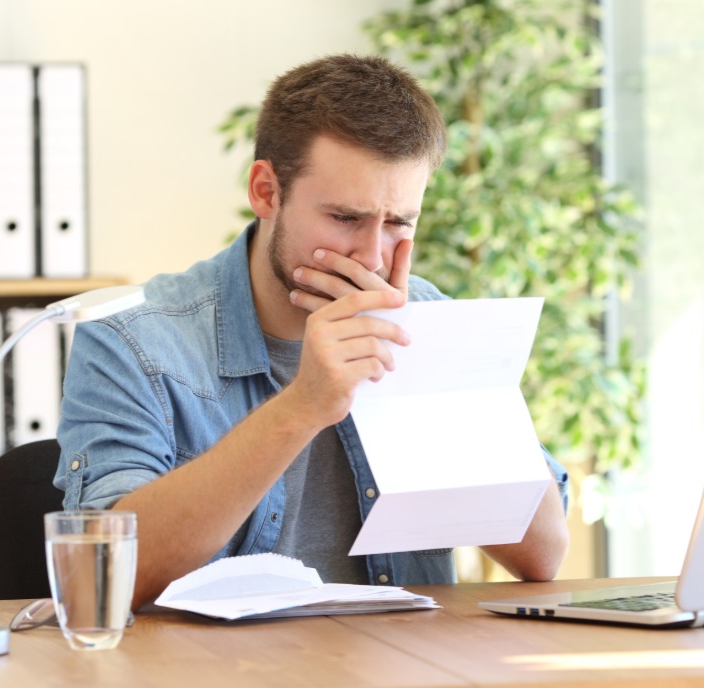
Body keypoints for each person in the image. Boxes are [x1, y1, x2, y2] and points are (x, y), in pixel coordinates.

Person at [55, 54, 570, 609]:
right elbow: (105, 576)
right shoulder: (131, 343)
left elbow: (543, 555)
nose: (372, 256)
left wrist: (422, 370)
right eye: (345, 218)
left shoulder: (426, 318)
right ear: (265, 191)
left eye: (398, 223)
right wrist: (303, 406)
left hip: (399, 652)